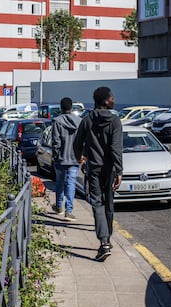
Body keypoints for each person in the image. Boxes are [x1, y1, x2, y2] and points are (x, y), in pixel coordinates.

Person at [74, 86, 123, 261]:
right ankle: (107, 239)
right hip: (110, 169)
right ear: (104, 101)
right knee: (109, 203)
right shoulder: (115, 121)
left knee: (97, 203)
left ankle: (104, 242)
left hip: (93, 169)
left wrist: (79, 157)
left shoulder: (87, 120)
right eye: (111, 98)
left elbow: (77, 144)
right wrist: (119, 171)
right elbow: (116, 149)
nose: (114, 100)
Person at [51, 97, 82, 221]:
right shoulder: (79, 121)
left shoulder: (57, 121)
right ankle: (69, 211)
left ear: (61, 107)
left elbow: (55, 141)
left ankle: (59, 206)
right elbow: (82, 141)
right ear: (71, 107)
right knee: (71, 183)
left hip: (61, 158)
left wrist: (56, 155)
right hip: (74, 158)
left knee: (60, 183)